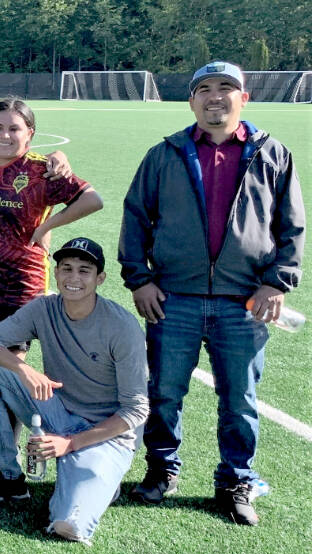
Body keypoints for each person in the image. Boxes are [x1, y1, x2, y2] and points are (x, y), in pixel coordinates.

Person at [119, 61, 304, 525]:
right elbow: (136, 216)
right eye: (204, 89)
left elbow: (290, 225)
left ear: (245, 97)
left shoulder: (272, 153)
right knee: (163, 393)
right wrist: (140, 279)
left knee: (240, 398)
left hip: (244, 302)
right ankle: (162, 470)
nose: (215, 96)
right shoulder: (165, 154)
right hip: (173, 298)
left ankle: (236, 480)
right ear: (192, 101)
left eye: (226, 88)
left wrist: (276, 281)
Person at [0, 238, 148, 545]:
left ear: (99, 278)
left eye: (84, 270)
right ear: (57, 271)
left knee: (68, 526)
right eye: (66, 269)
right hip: (58, 410)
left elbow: (136, 411)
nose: (73, 278)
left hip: (104, 433)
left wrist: (69, 443)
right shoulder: (44, 308)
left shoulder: (122, 327)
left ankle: (98, 477)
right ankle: (9, 479)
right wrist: (24, 368)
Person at [0, 98, 101, 337]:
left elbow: (92, 200)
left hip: (19, 284)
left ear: (30, 133)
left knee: (12, 361)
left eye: (14, 128)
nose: (5, 135)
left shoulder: (41, 170)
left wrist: (46, 226)